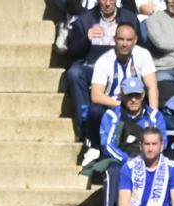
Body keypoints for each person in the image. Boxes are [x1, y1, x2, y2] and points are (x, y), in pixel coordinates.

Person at [63, 0, 139, 142]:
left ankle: (134, 126)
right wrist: (86, 39)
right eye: (104, 0)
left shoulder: (129, 17)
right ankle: (84, 127)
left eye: (111, 0)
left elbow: (140, 47)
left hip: (123, 67)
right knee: (75, 73)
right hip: (92, 68)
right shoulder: (84, 19)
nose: (108, 3)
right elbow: (72, 52)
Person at [83, 22, 158, 163]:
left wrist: (154, 115)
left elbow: (152, 87)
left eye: (129, 40)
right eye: (121, 39)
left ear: (135, 40)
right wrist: (122, 105)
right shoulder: (104, 61)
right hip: (113, 104)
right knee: (94, 110)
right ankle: (94, 147)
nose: (124, 44)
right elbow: (96, 95)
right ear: (114, 39)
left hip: (137, 102)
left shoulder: (143, 55)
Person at [100, 75, 166, 171]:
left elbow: (162, 143)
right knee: (113, 169)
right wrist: (127, 159)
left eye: (137, 95)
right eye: (129, 95)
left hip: (149, 159)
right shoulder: (111, 115)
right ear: (121, 96)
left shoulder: (155, 116)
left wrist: (147, 160)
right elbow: (107, 145)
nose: (133, 99)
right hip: (121, 160)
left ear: (143, 95)